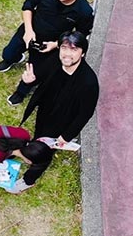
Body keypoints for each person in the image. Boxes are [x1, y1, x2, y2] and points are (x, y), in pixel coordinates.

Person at [12, 30, 99, 192]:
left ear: (83, 53)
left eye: (74, 50)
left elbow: (85, 113)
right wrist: (30, 81)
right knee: (38, 136)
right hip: (45, 110)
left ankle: (29, 180)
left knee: (44, 153)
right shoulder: (55, 61)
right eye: (64, 48)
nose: (67, 54)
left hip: (62, 122)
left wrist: (66, 136)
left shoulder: (88, 83)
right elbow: (39, 76)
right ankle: (28, 151)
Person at [0, 0, 94, 105]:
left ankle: (20, 92)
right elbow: (28, 5)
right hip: (29, 31)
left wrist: (56, 45)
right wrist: (28, 30)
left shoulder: (84, 11)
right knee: (8, 53)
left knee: (35, 73)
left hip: (49, 45)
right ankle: (13, 59)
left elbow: (80, 34)